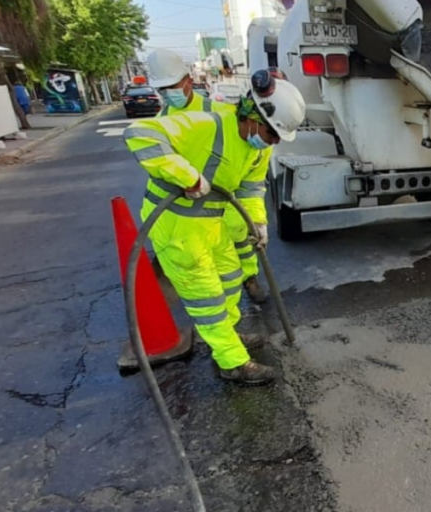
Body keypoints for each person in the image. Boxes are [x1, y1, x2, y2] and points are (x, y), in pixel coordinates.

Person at [123, 70, 306, 385]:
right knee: (206, 297)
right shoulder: (207, 123)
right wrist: (187, 176)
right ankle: (231, 362)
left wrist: (258, 223)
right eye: (272, 132)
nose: (274, 140)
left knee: (231, 279)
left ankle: (229, 335)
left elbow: (250, 189)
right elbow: (140, 133)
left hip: (213, 222)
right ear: (251, 116)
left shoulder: (258, 148)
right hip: (177, 227)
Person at [146, 49, 270, 304]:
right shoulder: (159, 123)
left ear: (188, 80)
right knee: (212, 267)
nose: (169, 93)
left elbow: (244, 149)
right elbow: (153, 158)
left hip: (226, 196)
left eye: (173, 85)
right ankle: (221, 304)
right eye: (163, 89)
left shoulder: (217, 110)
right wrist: (186, 178)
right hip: (189, 205)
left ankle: (250, 278)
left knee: (243, 240)